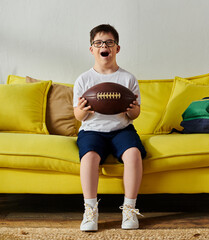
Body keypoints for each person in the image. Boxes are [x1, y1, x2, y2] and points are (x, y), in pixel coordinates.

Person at [73, 24, 146, 231]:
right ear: (92, 49)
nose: (104, 46)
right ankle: (90, 211)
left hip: (121, 129)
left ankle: (130, 210)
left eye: (109, 42)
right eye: (98, 43)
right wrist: (83, 109)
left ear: (117, 48)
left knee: (133, 155)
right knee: (89, 158)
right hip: (91, 130)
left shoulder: (128, 78)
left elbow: (135, 114)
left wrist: (132, 109)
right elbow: (78, 116)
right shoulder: (84, 80)